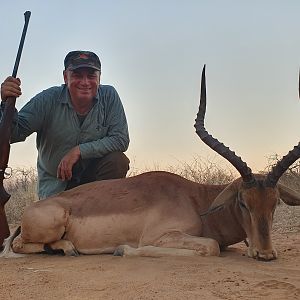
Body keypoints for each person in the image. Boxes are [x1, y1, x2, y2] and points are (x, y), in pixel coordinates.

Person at [0, 50, 130, 199]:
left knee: (117, 161)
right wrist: (6, 105)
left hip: (95, 183)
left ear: (99, 78)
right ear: (65, 77)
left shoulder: (110, 96)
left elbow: (121, 139)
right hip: (56, 186)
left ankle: (100, 210)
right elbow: (14, 133)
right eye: (77, 75)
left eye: (91, 75)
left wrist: (78, 151)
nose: (85, 82)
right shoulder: (47, 100)